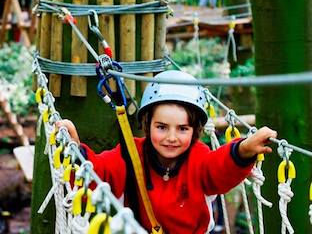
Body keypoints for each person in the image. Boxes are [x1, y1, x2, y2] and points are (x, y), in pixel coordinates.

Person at [56, 70, 277, 234]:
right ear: (147, 123)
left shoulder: (199, 158)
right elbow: (99, 173)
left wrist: (245, 149)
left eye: (182, 129)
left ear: (195, 130)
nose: (171, 137)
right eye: (162, 127)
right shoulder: (131, 155)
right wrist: (76, 153)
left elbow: (219, 167)